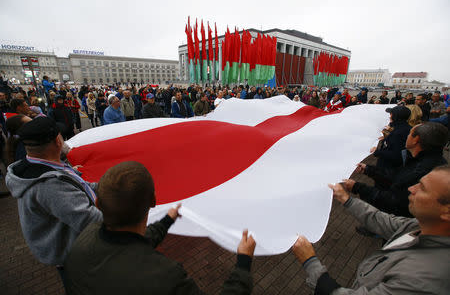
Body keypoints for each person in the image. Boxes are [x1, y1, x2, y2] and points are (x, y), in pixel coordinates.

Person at [64, 161, 255, 295]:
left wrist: (167, 220)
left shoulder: (81, 243)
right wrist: (243, 263)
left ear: (97, 203)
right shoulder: (166, 277)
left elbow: (134, 241)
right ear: (153, 201)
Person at [293, 166, 450, 294]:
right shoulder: (420, 226)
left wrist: (310, 262)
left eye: (422, 188)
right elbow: (385, 222)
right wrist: (346, 199)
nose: (411, 189)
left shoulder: (424, 278)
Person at [5, 117, 102, 281]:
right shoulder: (49, 184)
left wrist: (110, 183)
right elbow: (91, 220)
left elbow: (82, 186)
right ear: (58, 141)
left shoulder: (47, 166)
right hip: (77, 258)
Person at [347, 122, 448, 217]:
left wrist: (357, 187)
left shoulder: (422, 171)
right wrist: (368, 169)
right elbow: (396, 176)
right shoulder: (422, 161)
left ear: (416, 139)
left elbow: (394, 200)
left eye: (409, 134)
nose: (406, 136)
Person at [371, 106, 411, 173]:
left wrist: (377, 151)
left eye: (391, 114)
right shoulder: (405, 128)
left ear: (395, 117)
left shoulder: (399, 132)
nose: (389, 117)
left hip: (389, 169)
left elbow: (396, 155)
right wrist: (387, 137)